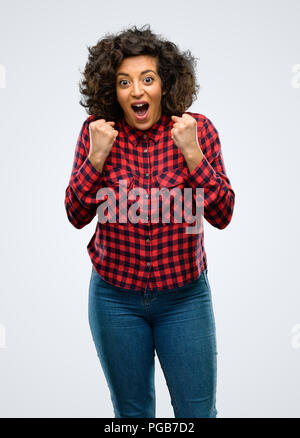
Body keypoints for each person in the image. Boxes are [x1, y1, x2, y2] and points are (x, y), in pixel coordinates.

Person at [64, 24, 235, 418]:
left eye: (147, 79)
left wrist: (193, 153)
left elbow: (223, 214)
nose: (137, 91)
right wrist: (95, 158)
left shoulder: (196, 130)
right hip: (114, 298)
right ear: (113, 90)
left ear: (165, 84)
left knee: (197, 412)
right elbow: (75, 215)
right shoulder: (97, 134)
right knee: (133, 412)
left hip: (185, 298)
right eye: (125, 82)